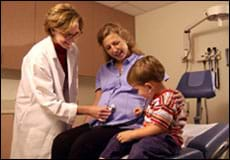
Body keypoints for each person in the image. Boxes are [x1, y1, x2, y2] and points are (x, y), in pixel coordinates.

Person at [51, 23, 185, 159]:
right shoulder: (103, 70)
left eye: (116, 43)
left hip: (127, 125)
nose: (114, 49)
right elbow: (97, 100)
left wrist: (176, 99)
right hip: (100, 124)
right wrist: (86, 124)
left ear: (125, 39)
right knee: (61, 141)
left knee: (82, 146)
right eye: (108, 47)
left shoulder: (143, 64)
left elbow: (161, 89)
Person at [10, 3, 111, 159]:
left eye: (75, 34)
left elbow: (69, 85)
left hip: (60, 115)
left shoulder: (73, 50)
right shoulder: (37, 56)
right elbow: (48, 102)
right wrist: (87, 109)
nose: (71, 40)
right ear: (52, 29)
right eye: (66, 34)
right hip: (38, 119)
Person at [100, 55, 187, 159]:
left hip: (169, 140)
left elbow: (158, 127)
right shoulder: (156, 98)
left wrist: (132, 134)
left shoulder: (167, 99)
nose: (138, 93)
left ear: (149, 87)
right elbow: (158, 114)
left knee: (141, 148)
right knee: (118, 138)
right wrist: (143, 111)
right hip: (153, 136)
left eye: (137, 90)